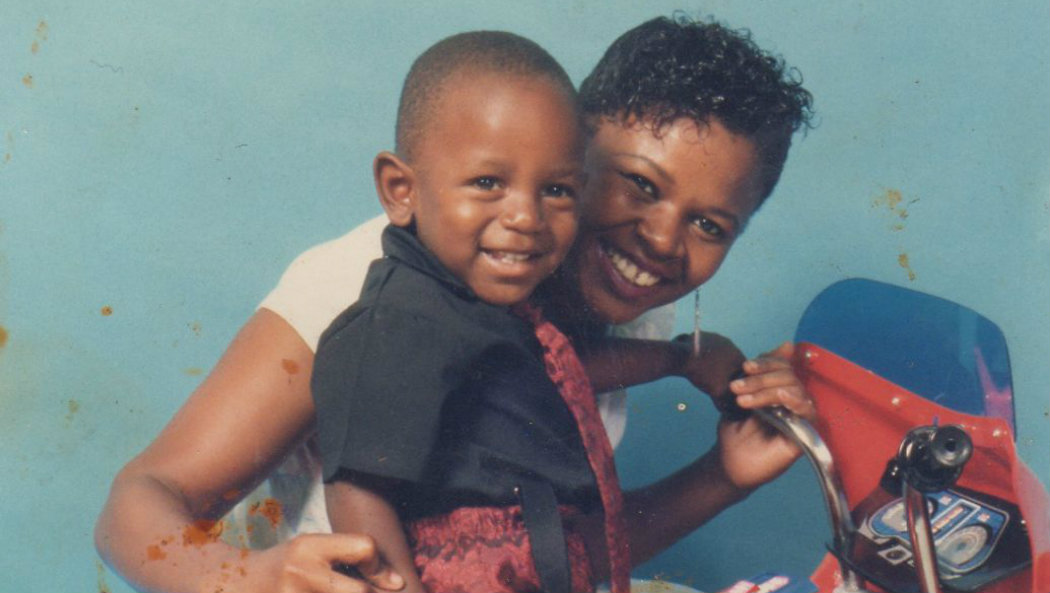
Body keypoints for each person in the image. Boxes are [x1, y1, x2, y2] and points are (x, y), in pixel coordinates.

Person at [95, 14, 814, 593]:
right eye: (639, 184)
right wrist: (246, 579)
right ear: (572, 143)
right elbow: (137, 504)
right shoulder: (368, 289)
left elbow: (534, 554)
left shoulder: (630, 307)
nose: (660, 240)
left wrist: (723, 476)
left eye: (709, 225)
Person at [313, 30, 615, 593]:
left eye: (556, 190)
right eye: (487, 182)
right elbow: (357, 491)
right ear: (400, 190)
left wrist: (681, 361)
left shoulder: (495, 307)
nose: (526, 217)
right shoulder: (399, 320)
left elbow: (573, 368)